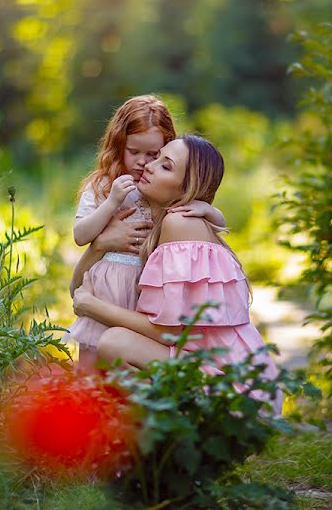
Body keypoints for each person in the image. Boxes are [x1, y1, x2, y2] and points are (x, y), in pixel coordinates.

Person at [72, 135, 281, 414]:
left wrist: (93, 307)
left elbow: (169, 333)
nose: (148, 165)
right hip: (207, 366)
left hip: (235, 387)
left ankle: (167, 438)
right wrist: (99, 246)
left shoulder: (179, 224)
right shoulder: (161, 225)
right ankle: (147, 438)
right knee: (113, 344)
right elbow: (75, 288)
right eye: (156, 157)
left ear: (187, 187)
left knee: (113, 343)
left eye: (165, 166)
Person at [68, 96, 225, 370]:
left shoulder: (165, 195)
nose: (143, 162)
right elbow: (81, 236)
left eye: (154, 155)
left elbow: (219, 224)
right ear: (118, 145)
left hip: (141, 293)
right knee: (90, 371)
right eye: (134, 151)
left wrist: (204, 207)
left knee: (120, 362)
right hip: (105, 286)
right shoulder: (105, 187)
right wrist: (111, 205)